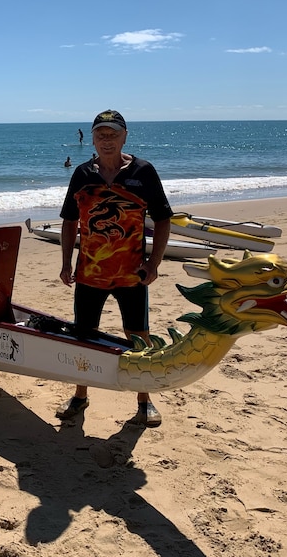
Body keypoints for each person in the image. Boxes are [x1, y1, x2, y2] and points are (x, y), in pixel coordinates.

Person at [56, 109, 173, 427]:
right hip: (90, 274)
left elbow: (163, 218)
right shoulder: (82, 174)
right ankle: (80, 397)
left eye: (113, 135)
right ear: (92, 138)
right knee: (84, 336)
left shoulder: (143, 172)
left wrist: (154, 263)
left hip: (131, 274)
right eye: (100, 135)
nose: (106, 141)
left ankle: (144, 401)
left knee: (138, 337)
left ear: (125, 136)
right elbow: (68, 220)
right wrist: (66, 263)